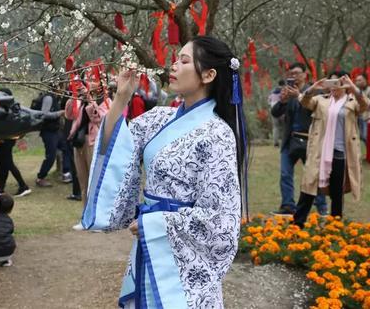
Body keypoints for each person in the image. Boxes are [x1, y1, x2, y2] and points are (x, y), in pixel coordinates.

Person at [81, 36, 246, 308]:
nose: (173, 66)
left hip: (181, 257)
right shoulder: (159, 118)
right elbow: (117, 150)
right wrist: (121, 98)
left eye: (183, 61)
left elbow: (220, 221)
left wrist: (155, 224)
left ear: (208, 74)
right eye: (174, 59)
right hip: (150, 244)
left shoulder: (218, 135)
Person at [293, 72, 369, 227]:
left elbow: (365, 105)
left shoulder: (352, 102)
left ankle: (335, 227)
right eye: (331, 82)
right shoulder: (321, 100)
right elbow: (304, 101)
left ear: (345, 85)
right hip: (319, 153)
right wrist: (314, 87)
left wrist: (352, 87)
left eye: (338, 82)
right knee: (308, 187)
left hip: (341, 153)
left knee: (337, 193)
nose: (334, 86)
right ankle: (297, 224)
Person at [270, 63, 327, 216]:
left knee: (313, 174)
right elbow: (275, 113)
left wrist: (299, 96)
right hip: (290, 140)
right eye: (291, 73)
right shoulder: (287, 93)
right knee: (285, 173)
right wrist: (282, 101)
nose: (294, 76)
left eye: (297, 73)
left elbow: (319, 110)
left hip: (310, 140)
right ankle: (288, 206)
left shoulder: (315, 91)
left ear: (304, 74)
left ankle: (321, 207)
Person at [65, 81, 109, 230]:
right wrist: (75, 96)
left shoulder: (106, 101)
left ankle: (98, 219)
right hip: (79, 143)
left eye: (93, 79)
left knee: (94, 182)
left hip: (94, 143)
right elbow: (69, 114)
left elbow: (98, 118)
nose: (90, 83)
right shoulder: (82, 101)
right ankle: (86, 218)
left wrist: (90, 99)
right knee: (83, 181)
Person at [0, 88, 32, 198]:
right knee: (3, 163)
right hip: (4, 139)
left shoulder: (11, 108)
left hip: (8, 139)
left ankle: (23, 186)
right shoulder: (7, 107)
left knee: (8, 163)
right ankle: (1, 187)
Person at [34, 86, 63, 187]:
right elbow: (44, 114)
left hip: (54, 130)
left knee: (65, 147)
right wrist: (60, 113)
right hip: (48, 131)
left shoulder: (54, 97)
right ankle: (40, 177)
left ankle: (66, 172)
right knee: (51, 156)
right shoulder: (49, 98)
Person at [268, 80, 285, 147]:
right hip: (282, 111)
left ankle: (275, 142)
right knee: (284, 127)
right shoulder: (284, 91)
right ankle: (283, 141)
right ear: (284, 84)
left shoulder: (273, 92)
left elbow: (269, 101)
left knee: (275, 127)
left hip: (273, 111)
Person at [355, 73, 369, 143]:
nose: (358, 82)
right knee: (361, 136)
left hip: (367, 118)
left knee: (365, 136)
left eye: (360, 80)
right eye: (357, 80)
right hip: (359, 117)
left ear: (365, 80)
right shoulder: (356, 92)